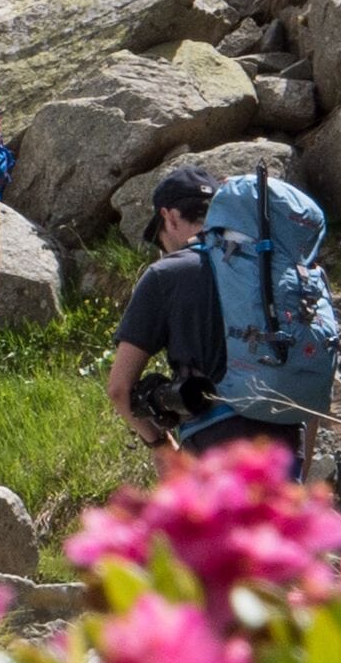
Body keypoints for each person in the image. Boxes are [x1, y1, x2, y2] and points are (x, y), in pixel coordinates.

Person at [108, 170, 309, 475]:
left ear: (169, 217)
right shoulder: (272, 268)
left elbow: (119, 388)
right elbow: (312, 373)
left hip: (215, 442)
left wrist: (161, 446)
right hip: (287, 437)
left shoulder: (166, 274)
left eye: (161, 241)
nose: (165, 250)